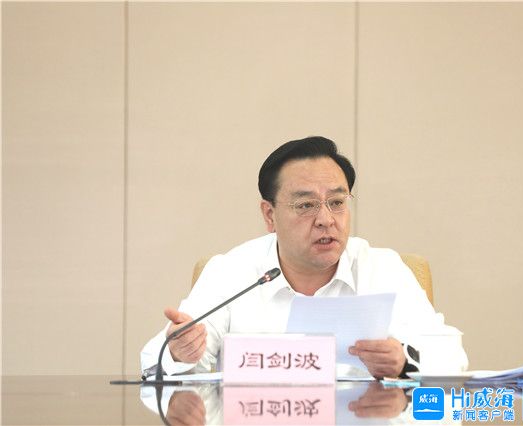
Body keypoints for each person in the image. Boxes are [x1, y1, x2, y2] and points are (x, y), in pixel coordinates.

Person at [141, 136, 467, 379]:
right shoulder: (232, 271)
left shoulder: (382, 268)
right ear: (269, 215)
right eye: (306, 205)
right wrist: (179, 353)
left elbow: (452, 356)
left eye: (337, 202)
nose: (326, 219)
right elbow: (155, 363)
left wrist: (405, 360)